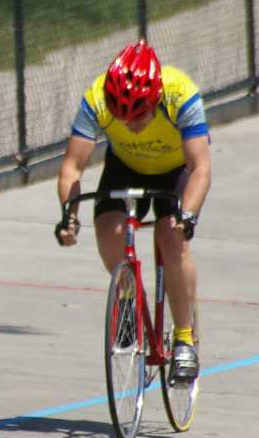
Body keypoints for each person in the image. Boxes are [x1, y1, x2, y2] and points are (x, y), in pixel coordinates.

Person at [54, 39, 212, 383]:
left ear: (156, 99)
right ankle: (128, 299)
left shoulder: (181, 95)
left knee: (171, 238)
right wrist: (69, 216)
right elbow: (72, 167)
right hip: (125, 166)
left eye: (139, 116)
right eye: (122, 116)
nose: (130, 125)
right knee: (109, 231)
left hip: (176, 170)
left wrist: (188, 216)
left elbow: (200, 168)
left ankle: (184, 339)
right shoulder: (96, 99)